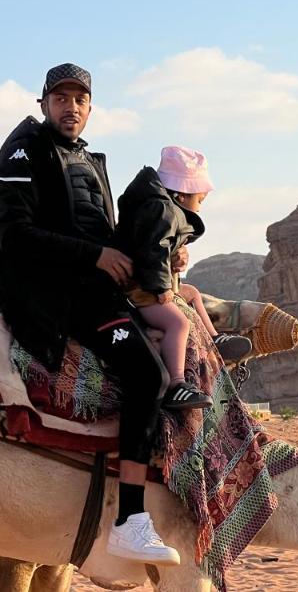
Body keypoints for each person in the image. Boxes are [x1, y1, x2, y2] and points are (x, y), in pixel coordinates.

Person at [0, 62, 177, 566]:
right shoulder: (25, 152)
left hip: (92, 288)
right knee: (146, 375)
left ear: (91, 108)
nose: (71, 107)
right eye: (61, 98)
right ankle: (130, 519)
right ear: (44, 102)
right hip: (54, 296)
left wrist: (159, 254)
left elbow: (99, 234)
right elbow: (14, 234)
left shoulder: (86, 159)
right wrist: (93, 257)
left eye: (80, 99)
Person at [115, 146, 253, 409]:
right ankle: (176, 384)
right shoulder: (161, 211)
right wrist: (160, 288)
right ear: (181, 194)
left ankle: (215, 338)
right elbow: (152, 251)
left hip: (148, 281)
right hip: (141, 290)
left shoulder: (160, 208)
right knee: (178, 323)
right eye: (199, 200)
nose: (200, 206)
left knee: (191, 293)